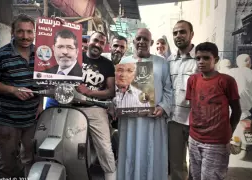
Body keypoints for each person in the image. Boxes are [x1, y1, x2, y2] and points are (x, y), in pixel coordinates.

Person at [0, 14, 43, 178]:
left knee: (31, 160)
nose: (25, 36)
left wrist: (40, 105)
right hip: (8, 119)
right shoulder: (1, 55)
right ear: (12, 32)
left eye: (30, 32)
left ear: (35, 33)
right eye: (20, 31)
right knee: (7, 163)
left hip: (32, 118)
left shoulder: (41, 54)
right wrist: (12, 90)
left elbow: (45, 82)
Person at [117, 28, 172, 180]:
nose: (141, 42)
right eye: (139, 38)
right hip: (129, 121)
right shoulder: (124, 62)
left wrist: (163, 107)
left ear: (151, 43)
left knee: (152, 154)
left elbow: (169, 90)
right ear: (133, 41)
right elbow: (120, 89)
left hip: (153, 120)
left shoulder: (161, 63)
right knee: (129, 153)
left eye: (145, 39)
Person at [186, 42, 241, 180]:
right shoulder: (192, 80)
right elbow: (194, 106)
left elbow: (237, 110)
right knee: (194, 176)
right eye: (198, 58)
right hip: (194, 139)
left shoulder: (226, 81)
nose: (201, 62)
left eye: (206, 58)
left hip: (216, 143)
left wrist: (228, 132)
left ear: (216, 60)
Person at [76, 31, 117, 180]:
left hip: (95, 108)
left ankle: (111, 176)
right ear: (88, 41)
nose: (98, 44)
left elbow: (111, 91)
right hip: (72, 107)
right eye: (95, 41)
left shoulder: (107, 65)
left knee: (105, 149)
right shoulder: (75, 56)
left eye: (101, 43)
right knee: (69, 146)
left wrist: (89, 92)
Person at [167, 20, 197, 180]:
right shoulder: (169, 61)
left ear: (191, 34)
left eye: (182, 32)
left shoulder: (201, 58)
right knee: (177, 165)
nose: (178, 35)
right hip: (174, 120)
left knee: (197, 164)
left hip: (196, 121)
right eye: (175, 32)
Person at [227, 54, 252, 133]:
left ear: (237, 63)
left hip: (228, 112)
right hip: (245, 114)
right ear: (248, 61)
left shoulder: (230, 72)